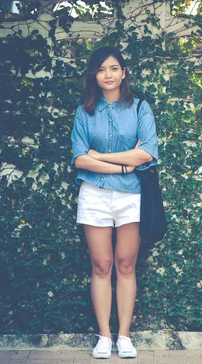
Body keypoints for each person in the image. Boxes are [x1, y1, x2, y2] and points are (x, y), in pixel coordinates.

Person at [70, 46, 158, 359]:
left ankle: (124, 336)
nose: (108, 74)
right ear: (94, 74)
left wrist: (103, 157)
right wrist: (124, 164)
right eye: (102, 69)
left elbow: (146, 153)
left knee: (125, 264)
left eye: (114, 68)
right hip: (94, 194)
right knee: (102, 264)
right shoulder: (85, 111)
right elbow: (80, 159)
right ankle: (104, 337)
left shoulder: (139, 108)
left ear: (123, 72)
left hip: (132, 195)